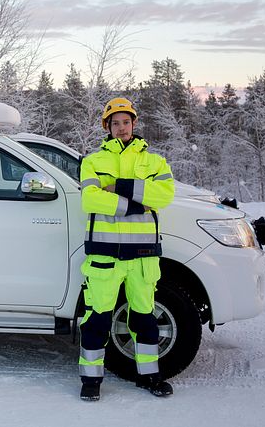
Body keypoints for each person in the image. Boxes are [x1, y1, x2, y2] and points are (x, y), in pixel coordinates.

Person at [77, 97, 175, 401]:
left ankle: (150, 377)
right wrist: (138, 204)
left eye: (126, 122)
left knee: (144, 319)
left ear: (134, 123)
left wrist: (117, 188)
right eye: (115, 123)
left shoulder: (155, 162)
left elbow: (165, 195)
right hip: (104, 255)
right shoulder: (93, 161)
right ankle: (91, 380)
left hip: (143, 258)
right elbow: (90, 199)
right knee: (97, 320)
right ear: (107, 126)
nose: (121, 128)